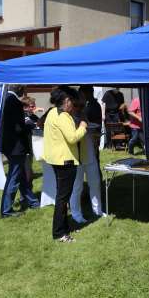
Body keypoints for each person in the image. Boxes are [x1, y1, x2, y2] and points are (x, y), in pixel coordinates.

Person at [43, 87, 87, 242]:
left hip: (57, 159)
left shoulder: (52, 112)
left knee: (62, 197)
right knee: (63, 198)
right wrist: (82, 126)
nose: (72, 104)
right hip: (65, 161)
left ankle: (64, 228)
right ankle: (59, 233)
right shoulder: (63, 117)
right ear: (66, 101)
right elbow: (73, 138)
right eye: (71, 101)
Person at [0, 85, 39, 217]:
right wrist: (28, 126)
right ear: (20, 90)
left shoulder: (6, 98)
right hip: (16, 146)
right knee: (14, 178)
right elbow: (18, 127)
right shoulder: (14, 101)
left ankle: (33, 201)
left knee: (19, 176)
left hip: (10, 145)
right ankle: (6, 210)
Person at [70, 85, 104, 224]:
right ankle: (76, 214)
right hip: (76, 155)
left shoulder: (87, 110)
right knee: (77, 186)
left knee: (95, 183)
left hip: (89, 153)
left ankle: (98, 211)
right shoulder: (70, 114)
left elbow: (93, 127)